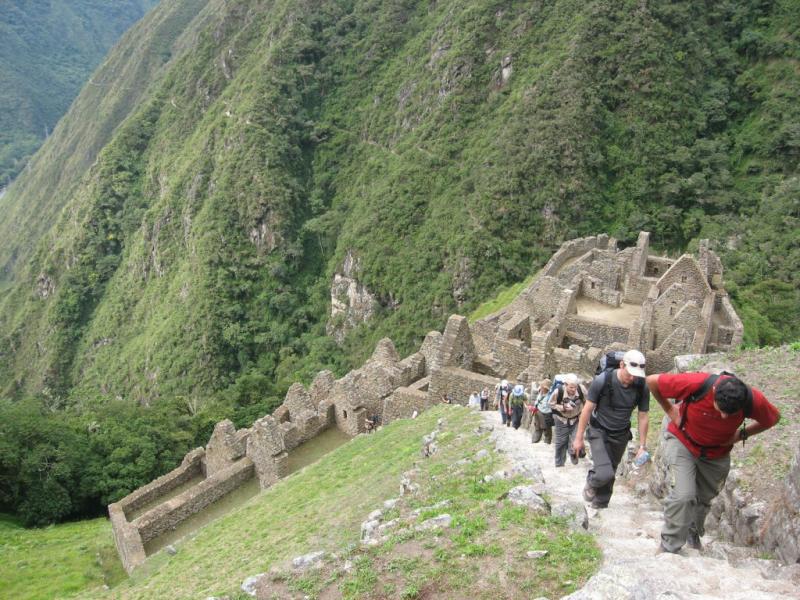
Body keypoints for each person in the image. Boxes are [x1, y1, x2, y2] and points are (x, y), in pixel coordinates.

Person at [646, 371, 780, 554]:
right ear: (714, 393)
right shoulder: (697, 383)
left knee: (703, 499)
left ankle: (692, 533)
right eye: (721, 409)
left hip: (716, 453)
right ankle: (669, 546)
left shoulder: (752, 400)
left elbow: (773, 418)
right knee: (683, 495)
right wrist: (670, 410)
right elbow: (652, 381)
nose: (725, 416)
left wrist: (742, 435)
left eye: (730, 413)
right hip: (683, 442)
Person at [574, 350, 650, 508]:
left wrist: (642, 446)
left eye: (637, 375)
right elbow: (587, 409)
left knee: (612, 469)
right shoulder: (603, 380)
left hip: (621, 433)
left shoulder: (642, 386)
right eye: (630, 373)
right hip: (598, 430)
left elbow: (643, 416)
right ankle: (592, 481)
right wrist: (579, 438)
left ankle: (601, 503)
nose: (633, 378)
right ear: (622, 365)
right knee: (604, 472)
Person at [550, 374, 586, 466]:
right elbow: (551, 404)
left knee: (576, 440)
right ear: (565, 385)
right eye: (571, 387)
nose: (573, 390)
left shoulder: (581, 390)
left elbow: (587, 402)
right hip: (561, 419)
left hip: (576, 419)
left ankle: (574, 457)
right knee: (561, 442)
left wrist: (584, 414)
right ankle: (559, 463)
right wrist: (563, 407)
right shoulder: (558, 391)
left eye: (575, 387)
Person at [531, 378, 554, 444]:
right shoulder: (540, 392)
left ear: (546, 388)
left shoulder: (550, 396)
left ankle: (547, 443)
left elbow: (550, 407)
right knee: (537, 428)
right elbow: (537, 401)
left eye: (542, 386)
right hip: (537, 412)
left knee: (546, 430)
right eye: (541, 386)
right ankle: (534, 442)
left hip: (546, 415)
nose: (540, 387)